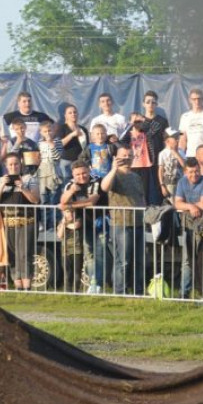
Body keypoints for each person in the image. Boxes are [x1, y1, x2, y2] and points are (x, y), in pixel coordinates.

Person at [100, 144, 145, 295]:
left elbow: (141, 198)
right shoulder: (114, 175)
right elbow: (104, 187)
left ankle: (138, 291)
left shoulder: (136, 177)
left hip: (138, 223)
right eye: (123, 156)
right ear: (116, 157)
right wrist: (113, 168)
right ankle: (120, 292)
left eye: (129, 156)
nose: (127, 158)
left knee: (139, 260)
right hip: (121, 223)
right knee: (122, 261)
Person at [0, 152, 40, 290]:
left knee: (25, 254)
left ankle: (27, 287)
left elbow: (35, 200)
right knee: (11, 255)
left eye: (16, 164)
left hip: (27, 222)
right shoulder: (0, 181)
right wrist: (2, 186)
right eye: (11, 164)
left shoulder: (30, 179)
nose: (14, 167)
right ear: (6, 166)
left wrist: (22, 187)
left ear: (21, 164)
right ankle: (18, 286)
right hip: (7, 223)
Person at [173, 157, 203, 298]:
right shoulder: (182, 182)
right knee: (187, 260)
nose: (194, 174)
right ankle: (184, 293)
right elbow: (177, 203)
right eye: (190, 172)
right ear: (185, 172)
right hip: (188, 225)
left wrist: (189, 205)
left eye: (196, 171)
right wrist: (191, 206)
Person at [57, 161, 100, 294]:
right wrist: (71, 191)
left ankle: (95, 285)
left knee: (93, 255)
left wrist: (70, 205)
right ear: (72, 174)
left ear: (89, 170)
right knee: (77, 258)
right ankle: (73, 290)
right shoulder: (70, 184)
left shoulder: (95, 181)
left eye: (84, 173)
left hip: (95, 222)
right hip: (76, 225)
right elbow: (63, 200)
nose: (81, 177)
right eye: (78, 174)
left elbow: (91, 201)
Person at [177, 88, 203, 157]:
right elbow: (182, 138)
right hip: (190, 155)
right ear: (190, 100)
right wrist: (181, 155)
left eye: (199, 99)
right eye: (194, 99)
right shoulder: (184, 117)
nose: (197, 101)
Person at [56, 104, 89, 184]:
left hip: (80, 162)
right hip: (67, 162)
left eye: (75, 112)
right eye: (70, 113)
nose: (73, 114)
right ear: (65, 116)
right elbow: (58, 145)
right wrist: (72, 135)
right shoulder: (62, 128)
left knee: (81, 184)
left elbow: (87, 147)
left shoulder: (83, 129)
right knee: (67, 184)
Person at [157, 128, 185, 203]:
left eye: (178, 137)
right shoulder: (163, 153)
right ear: (167, 140)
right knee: (172, 203)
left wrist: (176, 154)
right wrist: (162, 185)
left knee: (181, 201)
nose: (177, 140)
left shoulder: (181, 151)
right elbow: (160, 170)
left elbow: (185, 167)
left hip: (180, 182)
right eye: (175, 138)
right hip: (169, 184)